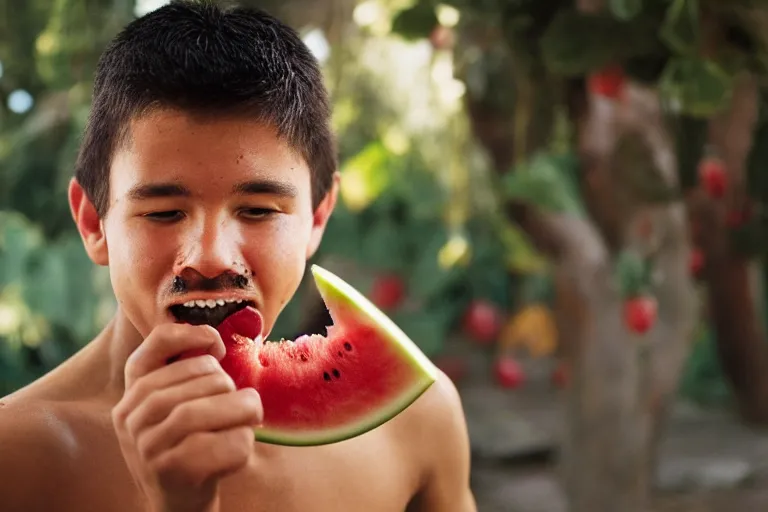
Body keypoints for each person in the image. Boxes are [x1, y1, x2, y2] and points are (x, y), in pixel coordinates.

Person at [0, 1, 477, 511]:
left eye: (257, 211)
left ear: (317, 216)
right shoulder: (15, 456)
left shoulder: (418, 420)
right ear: (94, 223)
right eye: (163, 213)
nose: (210, 257)